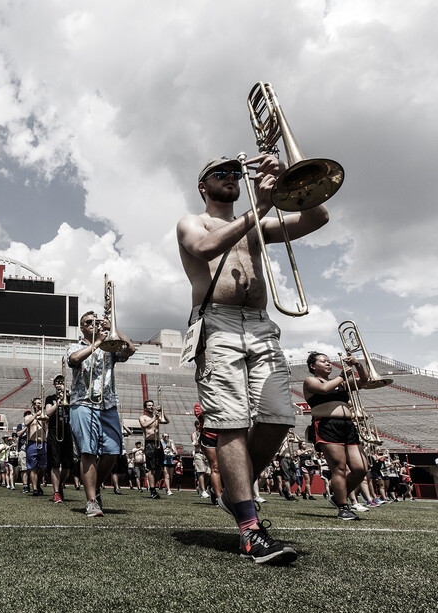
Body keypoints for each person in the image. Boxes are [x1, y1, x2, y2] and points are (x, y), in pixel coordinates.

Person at [177, 154, 327, 563]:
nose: (229, 177)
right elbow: (206, 246)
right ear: (203, 186)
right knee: (231, 422)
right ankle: (249, 527)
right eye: (218, 173)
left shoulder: (257, 224)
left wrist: (291, 181)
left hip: (260, 323)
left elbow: (317, 217)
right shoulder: (192, 221)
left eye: (234, 172)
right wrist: (260, 207)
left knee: (280, 416)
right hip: (218, 324)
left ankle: (232, 494)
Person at [66, 309, 136, 517]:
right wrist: (96, 343)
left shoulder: (109, 348)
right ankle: (91, 502)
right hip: (82, 403)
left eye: (96, 321)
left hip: (108, 404)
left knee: (113, 452)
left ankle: (95, 488)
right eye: (89, 322)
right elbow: (74, 359)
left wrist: (113, 328)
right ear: (81, 327)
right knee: (87, 451)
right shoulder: (75, 345)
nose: (93, 324)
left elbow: (130, 349)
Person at [304, 352, 371, 521]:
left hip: (348, 426)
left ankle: (337, 495)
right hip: (327, 425)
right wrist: (342, 376)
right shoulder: (311, 381)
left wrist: (358, 365)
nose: (328, 363)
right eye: (323, 361)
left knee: (361, 468)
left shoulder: (340, 383)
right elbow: (324, 389)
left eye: (329, 361)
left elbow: (365, 381)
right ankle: (343, 507)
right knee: (339, 467)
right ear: (313, 366)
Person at [43, 374, 75, 504]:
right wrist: (59, 402)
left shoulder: (71, 397)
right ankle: (56, 492)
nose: (59, 384)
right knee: (55, 464)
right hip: (54, 432)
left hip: (67, 431)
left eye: (62, 382)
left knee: (67, 466)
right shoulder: (50, 398)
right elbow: (48, 413)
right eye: (57, 382)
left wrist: (69, 395)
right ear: (54, 385)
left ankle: (60, 484)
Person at [139, 399, 169, 499]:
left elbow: (167, 421)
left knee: (160, 468)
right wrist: (155, 418)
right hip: (149, 443)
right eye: (149, 405)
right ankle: (152, 490)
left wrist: (162, 411)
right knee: (151, 468)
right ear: (145, 408)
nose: (151, 407)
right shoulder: (142, 417)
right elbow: (144, 425)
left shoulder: (156, 416)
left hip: (158, 443)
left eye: (152, 405)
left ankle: (152, 485)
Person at [23, 402, 49, 497]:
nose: (38, 405)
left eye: (40, 403)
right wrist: (35, 415)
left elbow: (48, 420)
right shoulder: (29, 416)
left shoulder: (45, 415)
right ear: (33, 405)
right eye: (36, 403)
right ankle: (34, 489)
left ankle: (38, 484)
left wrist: (41, 415)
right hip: (32, 443)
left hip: (43, 443)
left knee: (42, 468)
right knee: (33, 468)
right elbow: (26, 423)